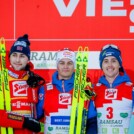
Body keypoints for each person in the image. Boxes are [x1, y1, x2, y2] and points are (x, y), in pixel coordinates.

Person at [36, 48, 97, 134]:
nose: (65, 66)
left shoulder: (86, 88)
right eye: (62, 63)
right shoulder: (44, 89)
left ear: (74, 66)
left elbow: (92, 120)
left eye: (69, 63)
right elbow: (35, 117)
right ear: (57, 66)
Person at [0, 34, 45, 134]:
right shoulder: (2, 79)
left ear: (28, 59)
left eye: (22, 56)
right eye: (14, 55)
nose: (17, 60)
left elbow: (40, 114)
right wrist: (24, 121)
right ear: (9, 57)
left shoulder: (34, 80)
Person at [94, 44, 133, 134]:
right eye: (106, 61)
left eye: (114, 61)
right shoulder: (94, 90)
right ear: (101, 65)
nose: (110, 65)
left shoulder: (131, 89)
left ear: (119, 64)